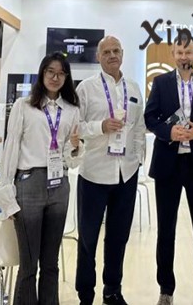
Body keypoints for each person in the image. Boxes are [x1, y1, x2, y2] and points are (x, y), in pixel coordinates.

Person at [0, 51, 82, 304]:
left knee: (51, 263)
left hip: (59, 185)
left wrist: (75, 147)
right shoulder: (24, 106)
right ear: (42, 73)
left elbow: (71, 160)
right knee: (28, 264)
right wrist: (6, 193)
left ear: (66, 77)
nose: (55, 77)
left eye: (61, 73)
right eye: (50, 72)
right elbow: (11, 148)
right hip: (29, 183)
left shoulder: (72, 110)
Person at [144, 35, 193, 305]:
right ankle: (166, 290)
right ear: (173, 54)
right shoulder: (161, 83)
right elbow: (150, 117)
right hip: (168, 164)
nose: (184, 56)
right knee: (166, 231)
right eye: (179, 52)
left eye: (188, 52)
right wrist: (169, 132)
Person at [75, 36, 146, 305]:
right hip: (94, 174)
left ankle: (112, 291)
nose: (112, 55)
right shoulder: (86, 88)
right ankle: (85, 295)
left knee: (118, 237)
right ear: (98, 57)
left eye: (116, 50)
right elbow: (76, 127)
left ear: (123, 54)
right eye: (106, 51)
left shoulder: (134, 88)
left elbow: (138, 128)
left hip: (126, 174)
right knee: (88, 238)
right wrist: (100, 127)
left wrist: (137, 159)